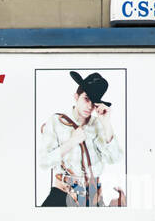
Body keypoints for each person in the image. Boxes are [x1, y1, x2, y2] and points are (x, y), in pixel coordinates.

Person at [38, 71, 123, 207]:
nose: (89, 106)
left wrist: (106, 123)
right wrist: (71, 142)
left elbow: (115, 158)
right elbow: (43, 162)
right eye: (86, 99)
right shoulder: (57, 121)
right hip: (63, 193)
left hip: (92, 197)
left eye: (94, 102)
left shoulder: (99, 125)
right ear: (76, 97)